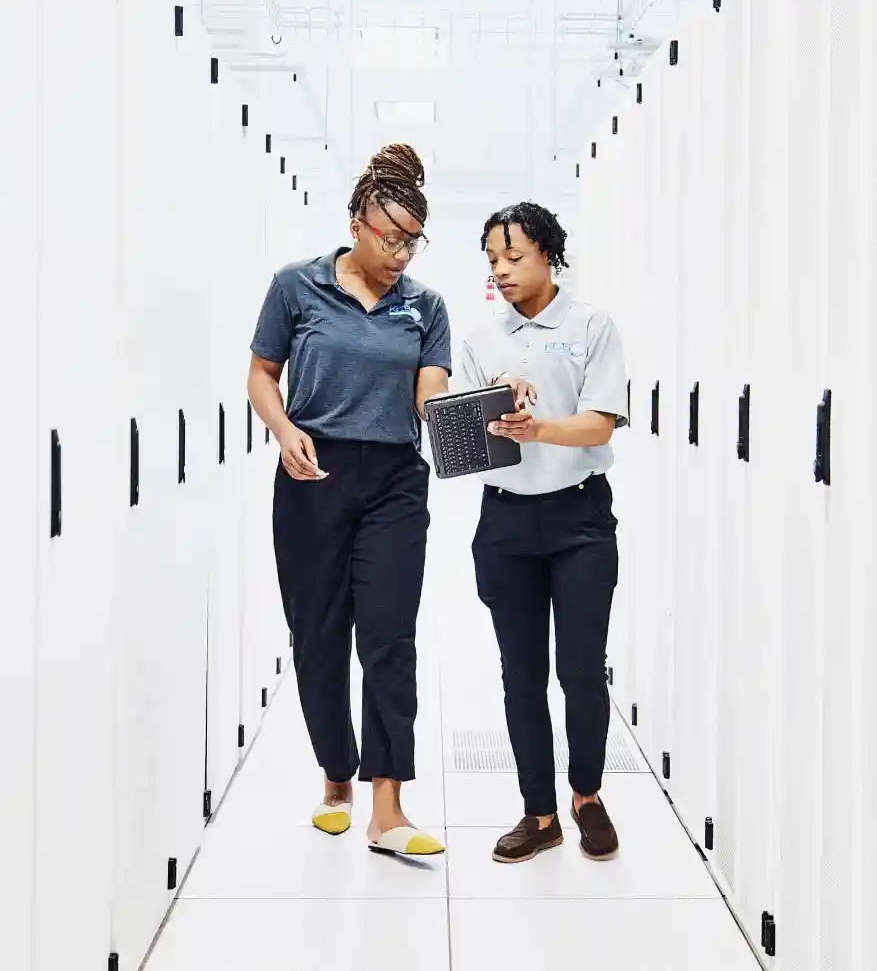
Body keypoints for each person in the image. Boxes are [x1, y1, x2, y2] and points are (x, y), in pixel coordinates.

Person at [247, 145, 450, 858]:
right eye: (390, 238)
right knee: (320, 639)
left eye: (412, 242)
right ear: (356, 223)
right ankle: (337, 773)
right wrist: (283, 429)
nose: (401, 254)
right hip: (313, 477)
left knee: (390, 638)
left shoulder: (425, 307)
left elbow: (430, 399)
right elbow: (262, 375)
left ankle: (387, 806)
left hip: (395, 477)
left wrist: (482, 414)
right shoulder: (296, 287)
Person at [455, 202, 628, 863]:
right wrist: (489, 408)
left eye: (515, 258)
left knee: (581, 671)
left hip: (579, 518)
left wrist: (541, 428)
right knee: (520, 676)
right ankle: (541, 813)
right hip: (505, 520)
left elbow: (600, 425)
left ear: (549, 256)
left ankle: (587, 795)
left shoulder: (590, 327)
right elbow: (459, 443)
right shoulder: (481, 340)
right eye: (493, 260)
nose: (501, 271)